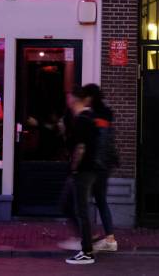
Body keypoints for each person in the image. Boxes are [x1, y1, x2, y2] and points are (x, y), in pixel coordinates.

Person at [63, 85, 98, 265]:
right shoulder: (88, 118)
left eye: (70, 98)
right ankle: (85, 242)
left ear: (76, 100)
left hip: (82, 171)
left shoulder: (83, 120)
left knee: (80, 210)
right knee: (69, 205)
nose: (68, 101)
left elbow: (80, 147)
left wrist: (75, 168)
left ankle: (87, 251)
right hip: (87, 170)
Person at [84, 83, 118, 252]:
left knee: (83, 200)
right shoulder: (107, 113)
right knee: (100, 200)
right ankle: (108, 238)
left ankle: (90, 237)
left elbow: (98, 141)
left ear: (90, 97)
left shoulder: (93, 116)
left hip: (96, 165)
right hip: (105, 164)